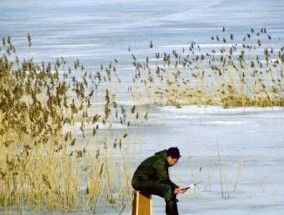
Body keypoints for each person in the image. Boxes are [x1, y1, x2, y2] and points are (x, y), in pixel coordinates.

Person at [131, 147, 186, 215]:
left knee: (171, 191)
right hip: (139, 182)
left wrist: (176, 188)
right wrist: (176, 188)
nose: (175, 163)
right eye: (175, 161)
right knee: (167, 189)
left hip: (148, 181)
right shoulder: (160, 162)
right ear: (169, 157)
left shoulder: (163, 160)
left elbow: (164, 179)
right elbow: (164, 179)